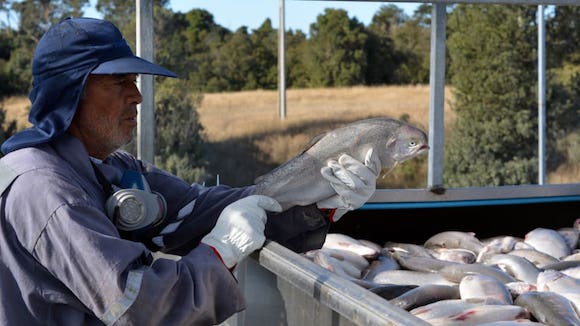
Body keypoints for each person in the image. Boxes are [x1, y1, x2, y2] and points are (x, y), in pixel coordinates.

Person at [0, 17, 380, 325]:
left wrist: (319, 197)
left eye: (134, 81)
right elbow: (138, 308)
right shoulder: (45, 188)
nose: (136, 95)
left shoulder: (107, 167)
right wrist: (221, 250)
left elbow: (199, 209)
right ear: (72, 91)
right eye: (119, 83)